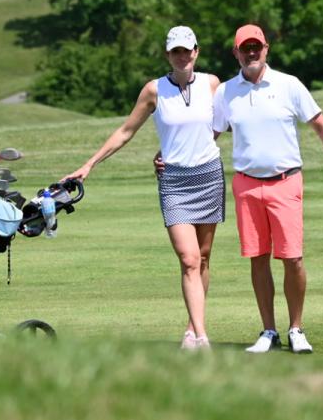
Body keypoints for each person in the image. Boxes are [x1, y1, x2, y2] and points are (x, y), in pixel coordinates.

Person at [66, 25, 222, 350]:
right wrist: (90, 164)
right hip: (174, 182)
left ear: (196, 52)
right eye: (176, 51)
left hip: (208, 175)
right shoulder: (154, 90)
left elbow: (221, 124)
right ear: (168, 54)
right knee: (189, 258)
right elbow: (126, 131)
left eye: (187, 50)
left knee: (204, 258)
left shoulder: (211, 84)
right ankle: (202, 337)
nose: (182, 56)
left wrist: (199, 143)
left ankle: (191, 329)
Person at [212, 23, 323, 354]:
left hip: (285, 181)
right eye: (245, 48)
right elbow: (211, 135)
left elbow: (320, 124)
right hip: (246, 185)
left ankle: (296, 328)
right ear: (236, 53)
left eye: (257, 46)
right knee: (257, 258)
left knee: (292, 258)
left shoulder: (288, 85)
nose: (252, 52)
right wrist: (174, 159)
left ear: (266, 49)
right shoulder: (225, 92)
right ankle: (269, 330)